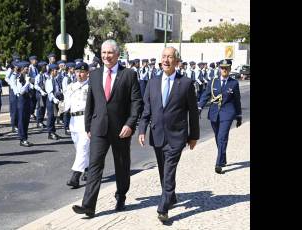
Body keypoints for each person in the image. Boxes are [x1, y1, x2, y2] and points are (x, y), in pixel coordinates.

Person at [72, 39, 143, 218]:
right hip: (98, 128)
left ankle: (121, 196)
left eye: (110, 53)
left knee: (121, 165)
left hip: (121, 129)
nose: (106, 56)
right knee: (95, 165)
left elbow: (136, 102)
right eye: (103, 53)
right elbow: (91, 102)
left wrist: (130, 123)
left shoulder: (128, 74)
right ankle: (88, 205)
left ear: (117, 55)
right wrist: (88, 125)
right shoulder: (94, 75)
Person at [138, 47, 200, 222]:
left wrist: (193, 136)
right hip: (157, 135)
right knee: (162, 170)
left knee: (169, 171)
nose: (166, 60)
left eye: (170, 57)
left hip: (177, 136)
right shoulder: (152, 82)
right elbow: (147, 109)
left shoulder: (186, 83)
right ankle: (171, 196)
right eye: (164, 57)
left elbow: (193, 112)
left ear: (177, 61)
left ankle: (163, 208)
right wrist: (142, 129)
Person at [198, 59, 242, 174]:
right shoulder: (213, 82)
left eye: (226, 68)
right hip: (214, 114)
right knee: (218, 138)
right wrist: (199, 108)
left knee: (222, 137)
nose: (224, 70)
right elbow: (205, 96)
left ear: (230, 69)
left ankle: (218, 164)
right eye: (222, 68)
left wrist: (239, 115)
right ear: (219, 69)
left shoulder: (234, 83)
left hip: (227, 113)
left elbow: (237, 100)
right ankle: (223, 158)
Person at [64, 62, 91, 188]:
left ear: (87, 73)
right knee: (79, 147)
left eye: (81, 72)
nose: (79, 74)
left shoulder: (91, 86)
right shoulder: (71, 87)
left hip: (86, 119)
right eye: (77, 72)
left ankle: (75, 177)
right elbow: (66, 105)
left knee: (82, 147)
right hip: (74, 120)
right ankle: (87, 169)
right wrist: (60, 102)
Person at [45, 64, 63, 140]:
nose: (57, 72)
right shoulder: (49, 80)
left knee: (54, 116)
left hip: (56, 100)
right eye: (56, 71)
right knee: (51, 117)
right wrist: (54, 99)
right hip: (51, 101)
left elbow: (57, 89)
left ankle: (53, 131)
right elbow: (49, 92)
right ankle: (50, 133)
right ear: (52, 71)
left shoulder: (55, 79)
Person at [62, 62, 76, 135]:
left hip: (73, 97)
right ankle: (66, 127)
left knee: (72, 113)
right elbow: (65, 89)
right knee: (66, 113)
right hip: (68, 97)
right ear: (69, 69)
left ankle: (71, 127)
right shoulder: (65, 78)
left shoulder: (74, 77)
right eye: (73, 68)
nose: (74, 69)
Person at [34, 61, 48, 128]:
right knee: (40, 107)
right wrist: (41, 91)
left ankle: (41, 121)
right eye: (44, 66)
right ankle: (39, 122)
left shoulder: (45, 75)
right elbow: (36, 85)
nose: (45, 67)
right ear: (41, 67)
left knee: (44, 107)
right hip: (40, 94)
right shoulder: (38, 76)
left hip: (45, 93)